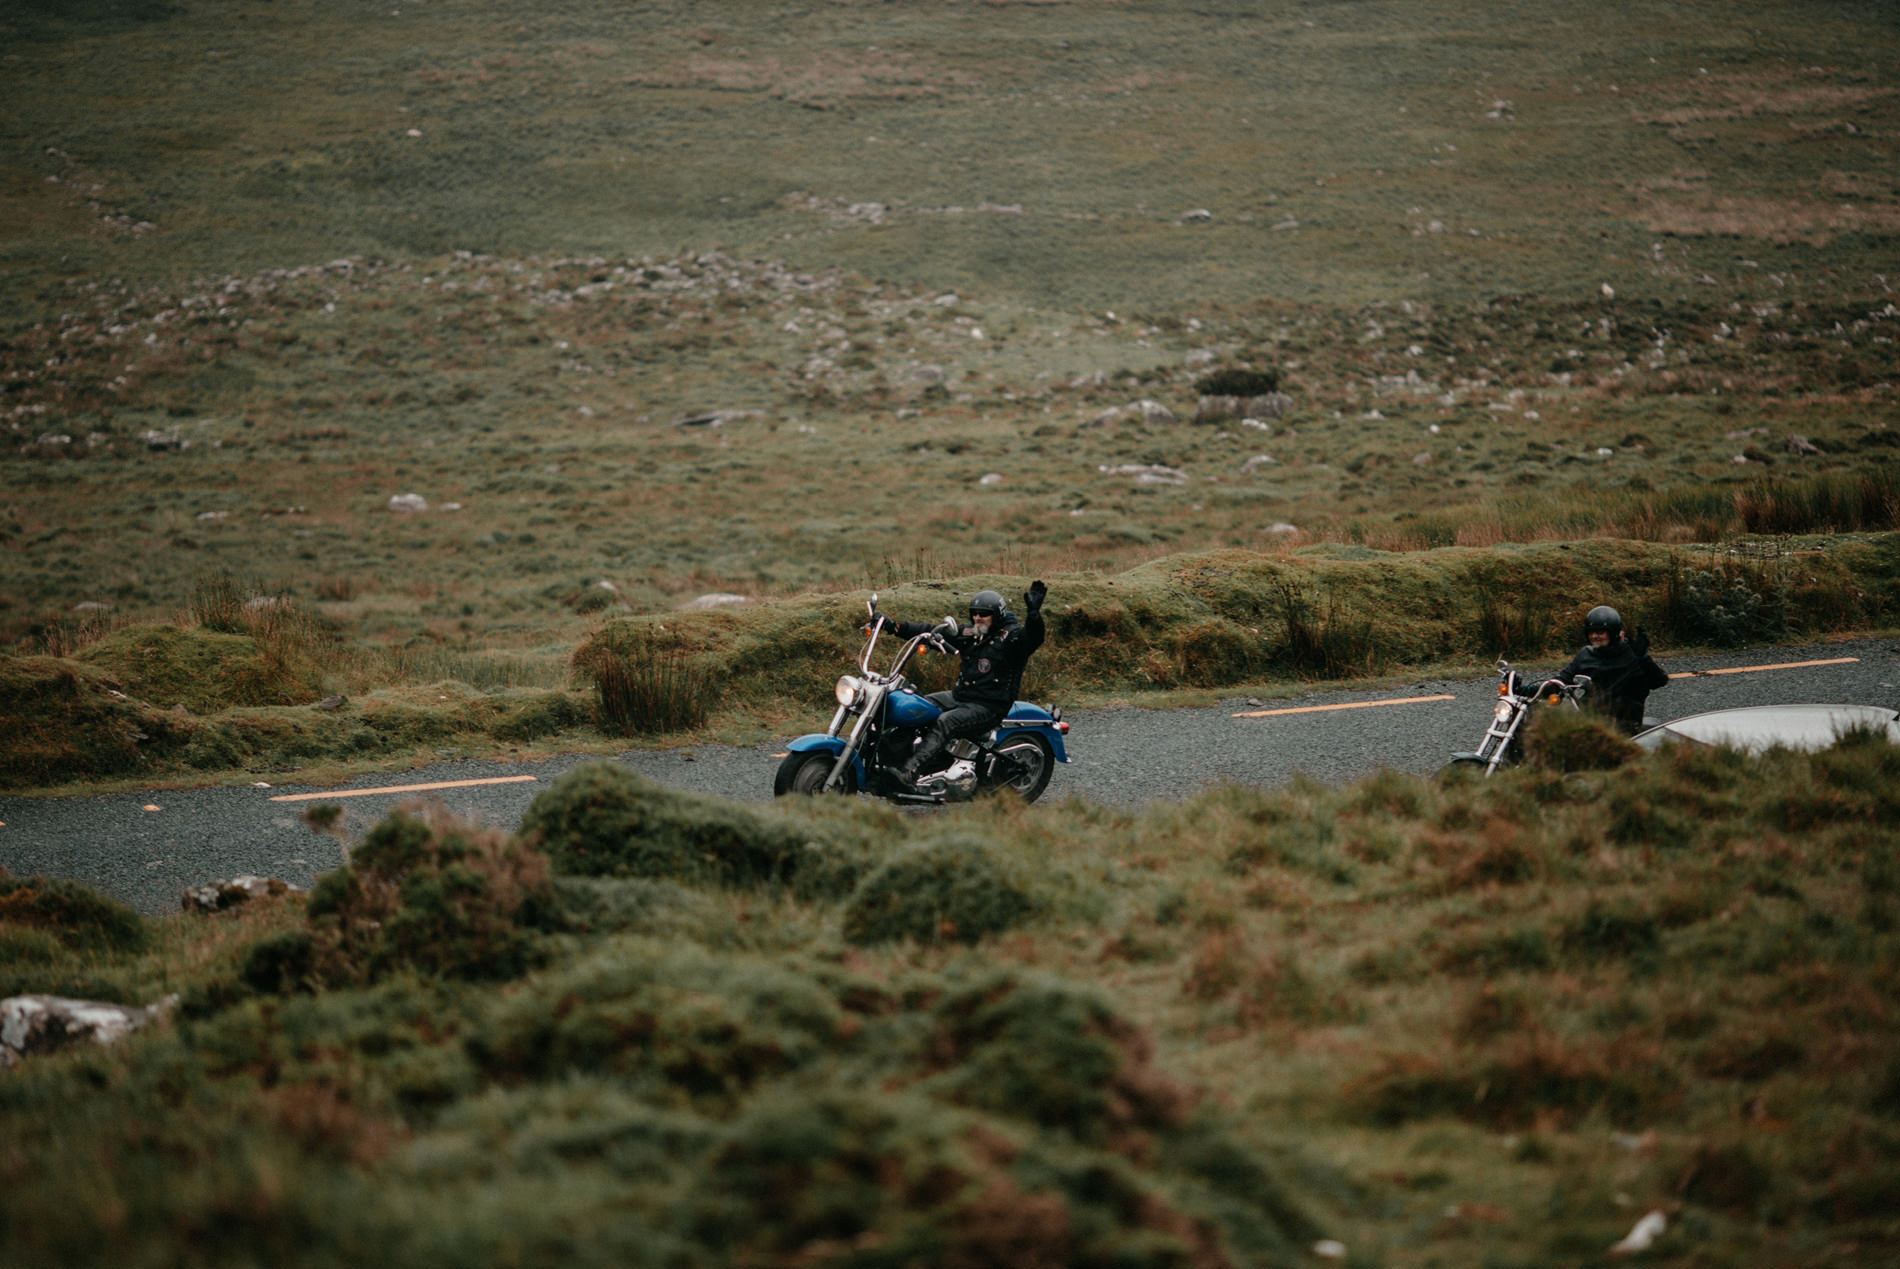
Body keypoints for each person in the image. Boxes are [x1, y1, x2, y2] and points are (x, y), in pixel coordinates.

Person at [871, 581, 1047, 789]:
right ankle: (892, 761)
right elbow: (929, 631)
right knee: (915, 707)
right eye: (975, 613)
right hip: (961, 696)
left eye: (984, 613)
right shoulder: (972, 634)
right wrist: (895, 627)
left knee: (946, 722)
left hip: (989, 706)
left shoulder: (1011, 637)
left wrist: (1034, 615)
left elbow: (1033, 638)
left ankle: (910, 772)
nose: (978, 618)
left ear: (997, 615)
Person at [1557, 605, 1668, 732]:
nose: (1594, 636)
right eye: (1591, 632)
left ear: (1613, 633)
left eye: (1600, 632)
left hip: (1625, 723)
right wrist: (1540, 687)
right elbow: (1564, 678)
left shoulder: (1631, 654)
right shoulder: (1586, 654)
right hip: (1589, 719)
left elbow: (1659, 681)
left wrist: (1643, 659)